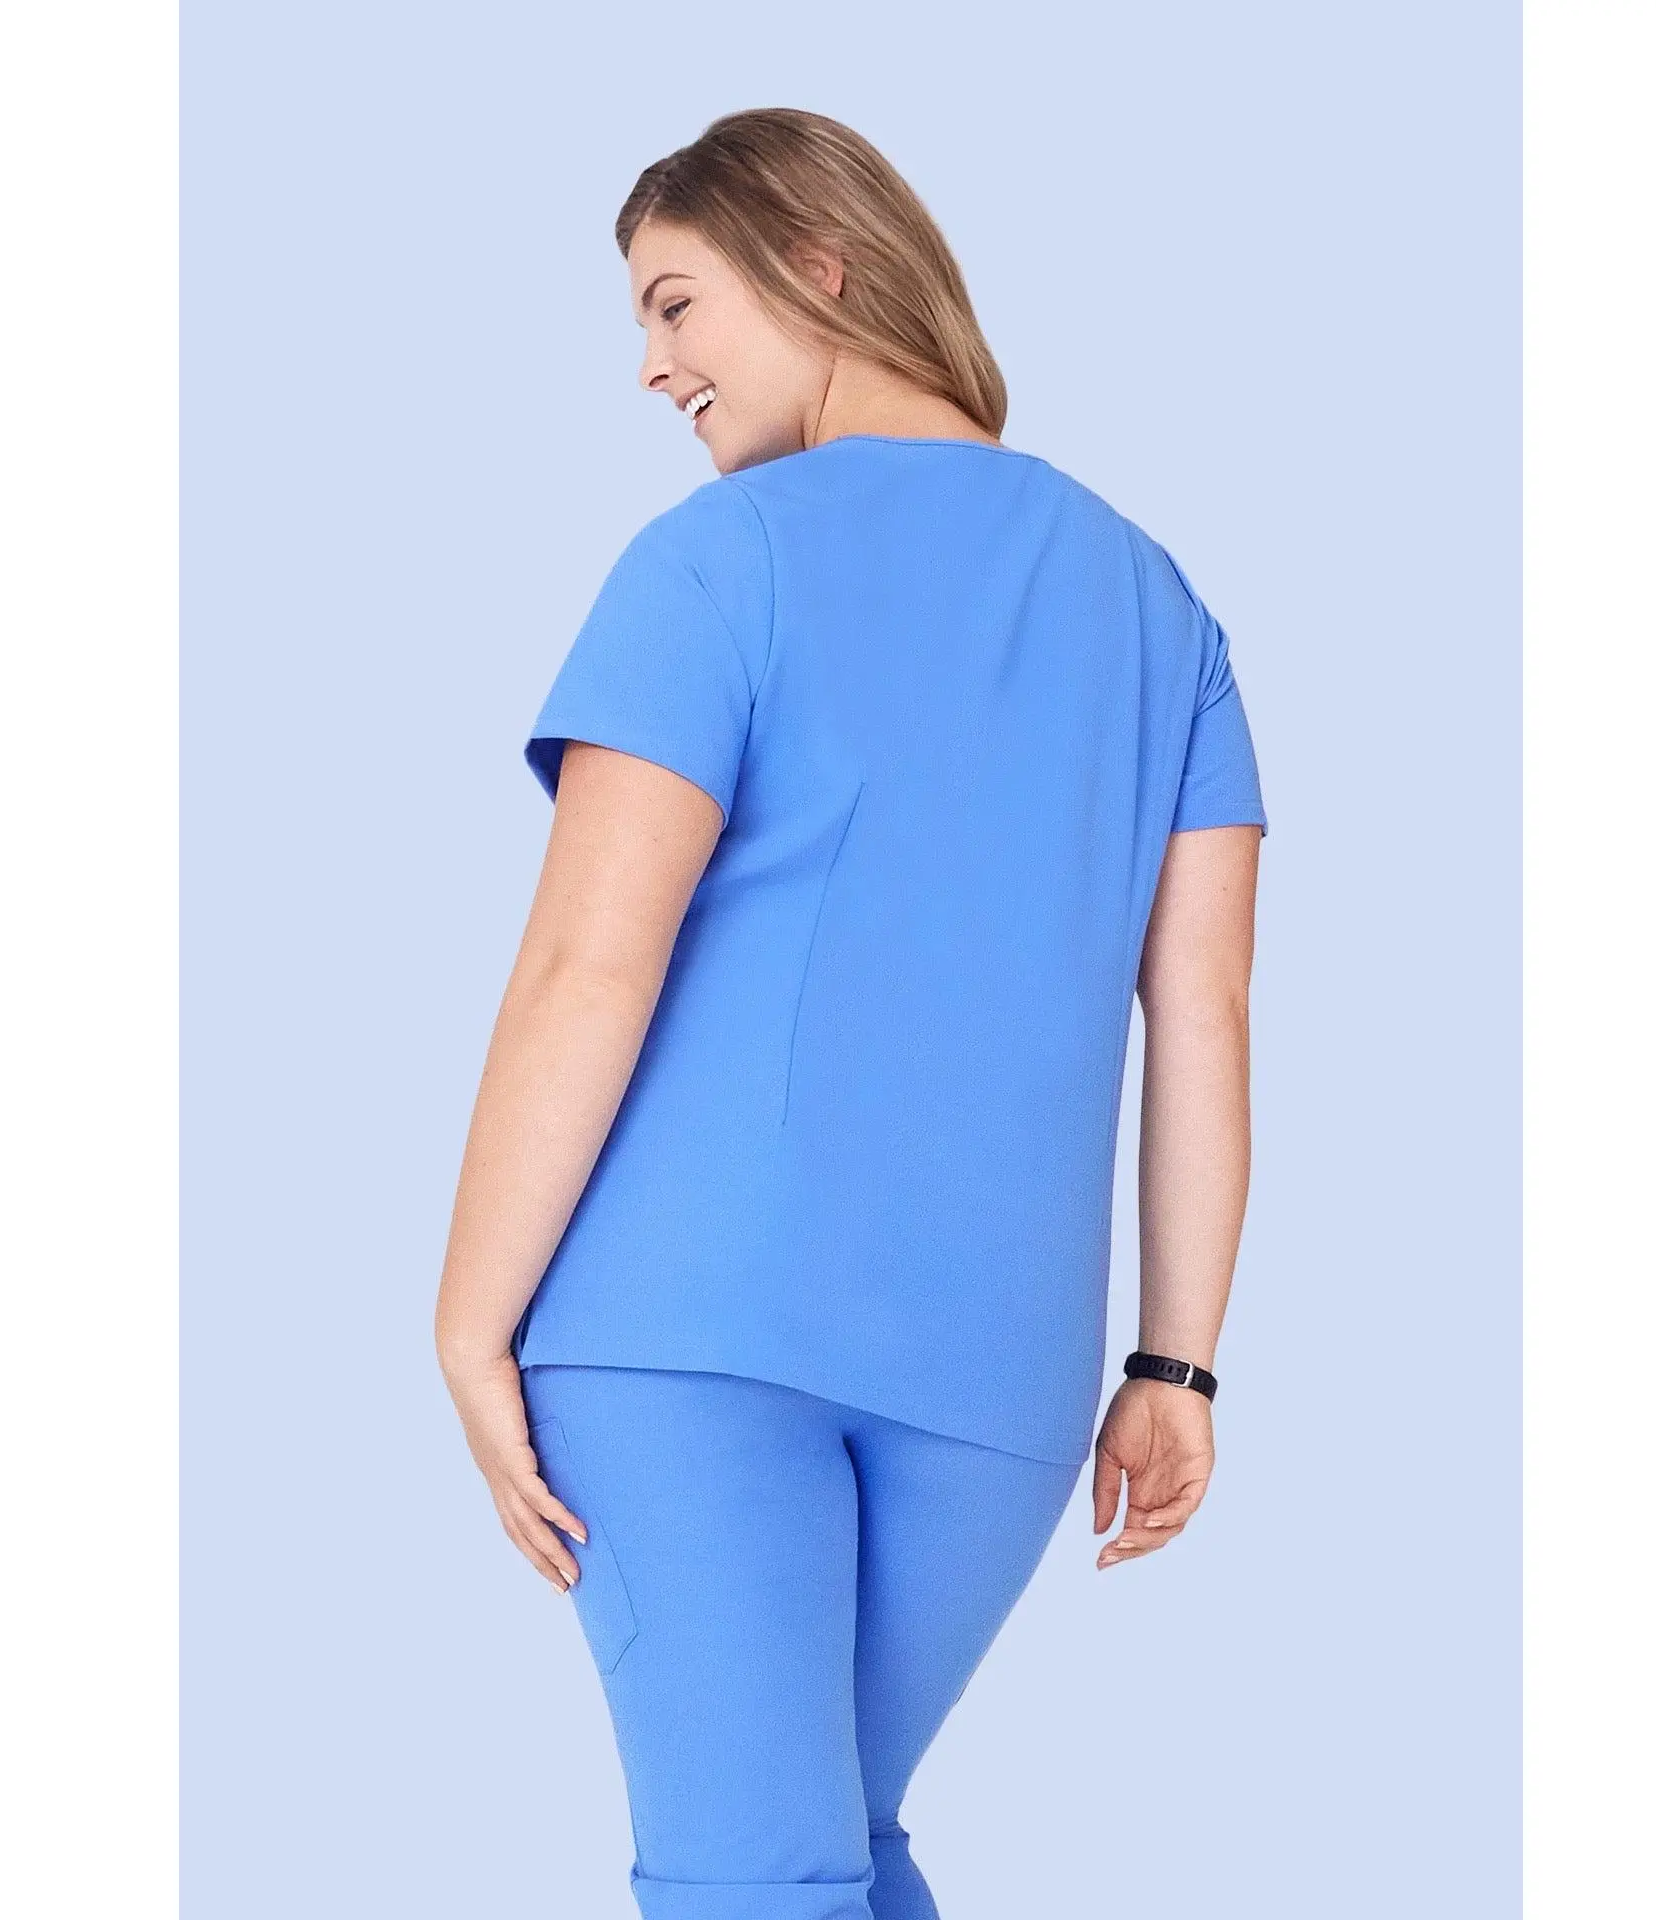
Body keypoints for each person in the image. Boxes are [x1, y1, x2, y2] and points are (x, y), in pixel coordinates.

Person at [434, 107, 1267, 1920]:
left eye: (675, 304)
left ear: (819, 266)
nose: (650, 368)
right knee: (829, 1851)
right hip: (998, 1376)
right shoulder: (1164, 609)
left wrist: (467, 1320)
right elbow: (1201, 1012)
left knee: (759, 1872)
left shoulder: (717, 561)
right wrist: (1175, 1364)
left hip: (687, 1335)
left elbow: (588, 964)